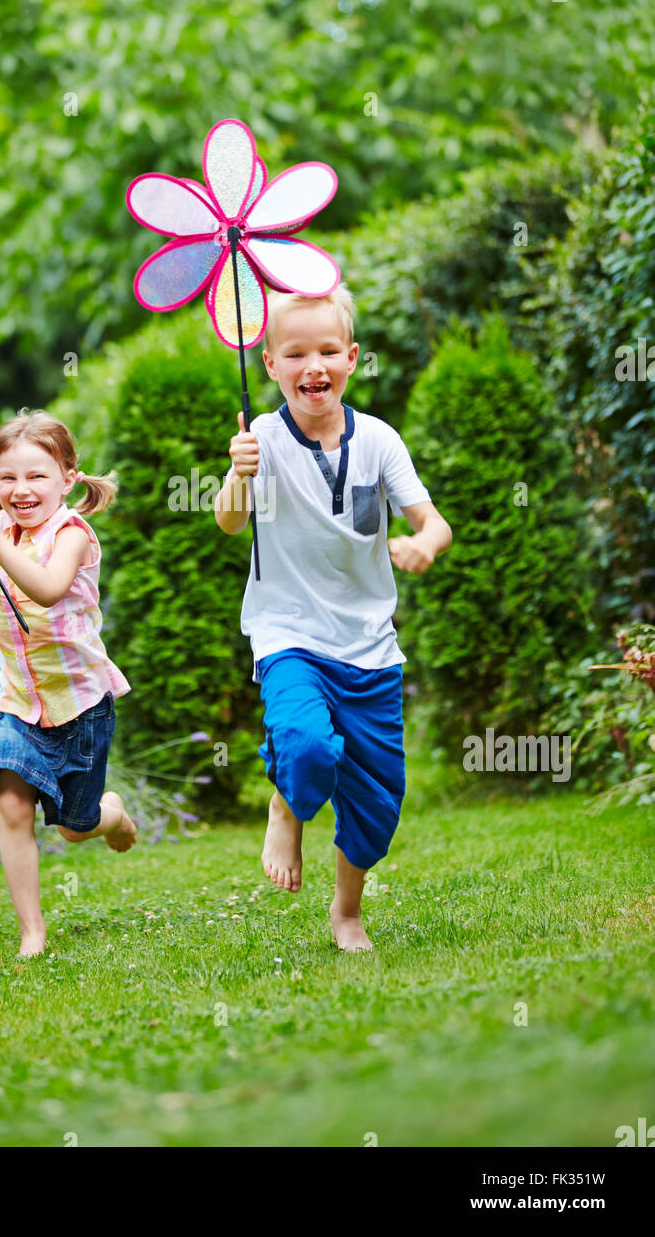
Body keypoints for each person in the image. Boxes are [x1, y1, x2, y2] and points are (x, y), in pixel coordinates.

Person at [214, 285, 452, 952]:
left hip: (371, 645)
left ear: (350, 359)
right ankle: (285, 805)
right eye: (295, 352)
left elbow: (433, 522)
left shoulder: (378, 440)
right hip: (288, 632)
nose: (311, 364)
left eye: (326, 350)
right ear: (270, 365)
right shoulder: (259, 436)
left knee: (378, 804)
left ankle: (346, 911)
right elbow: (228, 522)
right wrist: (237, 474)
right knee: (308, 745)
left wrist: (422, 546)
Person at [0, 409, 135, 957]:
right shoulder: (2, 529)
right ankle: (32, 931)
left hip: (81, 705)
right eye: (9, 477)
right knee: (12, 806)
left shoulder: (73, 535)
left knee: (74, 828)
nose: (20, 489)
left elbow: (48, 589)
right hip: (19, 702)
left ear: (68, 477)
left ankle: (112, 816)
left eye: (36, 475)